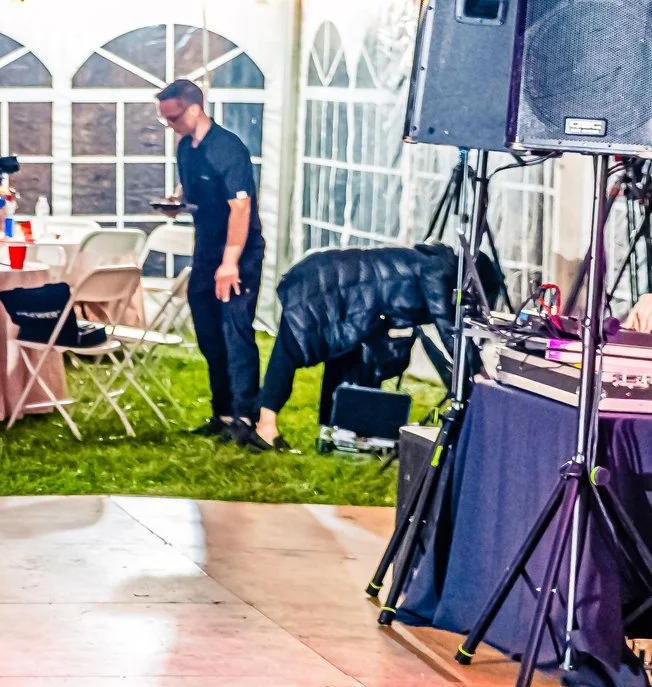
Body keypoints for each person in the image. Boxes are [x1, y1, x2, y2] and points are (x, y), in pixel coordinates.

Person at [255, 243, 457, 449]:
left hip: (339, 286)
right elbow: (448, 326)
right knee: (289, 351)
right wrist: (475, 370)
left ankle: (333, 432)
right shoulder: (436, 270)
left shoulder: (430, 262)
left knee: (341, 358)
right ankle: (265, 427)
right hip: (323, 281)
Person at [157, 78, 268, 449]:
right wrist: (176, 202)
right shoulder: (186, 149)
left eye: (173, 118)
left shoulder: (228, 148)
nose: (170, 125)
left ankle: (246, 417)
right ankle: (221, 413)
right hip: (205, 250)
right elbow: (193, 192)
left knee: (235, 331)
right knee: (208, 333)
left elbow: (241, 206)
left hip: (239, 253)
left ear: (194, 108)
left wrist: (230, 262)